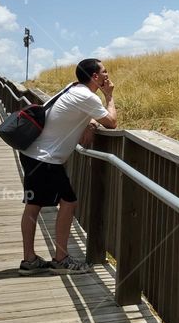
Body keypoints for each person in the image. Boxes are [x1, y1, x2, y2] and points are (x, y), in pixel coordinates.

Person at [18, 58, 117, 275]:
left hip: (32, 153)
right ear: (95, 77)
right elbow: (111, 122)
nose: (108, 75)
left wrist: (90, 122)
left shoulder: (73, 88)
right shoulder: (87, 96)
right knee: (69, 202)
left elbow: (76, 115)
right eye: (105, 72)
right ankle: (60, 259)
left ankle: (29, 260)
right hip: (46, 158)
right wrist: (109, 96)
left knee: (33, 206)